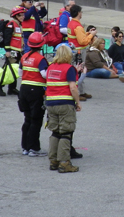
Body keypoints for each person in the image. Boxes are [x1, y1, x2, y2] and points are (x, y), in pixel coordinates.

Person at [45, 45, 81, 173]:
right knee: (66, 132)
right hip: (65, 103)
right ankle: (64, 162)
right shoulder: (69, 68)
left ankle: (53, 160)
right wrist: (78, 102)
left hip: (51, 103)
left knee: (55, 132)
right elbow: (73, 87)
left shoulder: (50, 68)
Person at [18, 32, 48, 156]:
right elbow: (44, 75)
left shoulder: (24, 57)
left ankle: (25, 147)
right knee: (36, 120)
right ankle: (34, 148)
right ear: (42, 45)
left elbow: (20, 73)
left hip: (24, 89)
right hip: (36, 91)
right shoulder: (40, 59)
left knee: (27, 119)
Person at [0, 6, 25, 97]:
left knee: (14, 70)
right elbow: (7, 38)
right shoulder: (11, 24)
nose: (22, 17)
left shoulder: (18, 24)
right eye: (20, 15)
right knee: (8, 70)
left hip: (17, 51)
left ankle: (12, 88)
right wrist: (8, 50)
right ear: (15, 16)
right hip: (12, 51)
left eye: (23, 15)